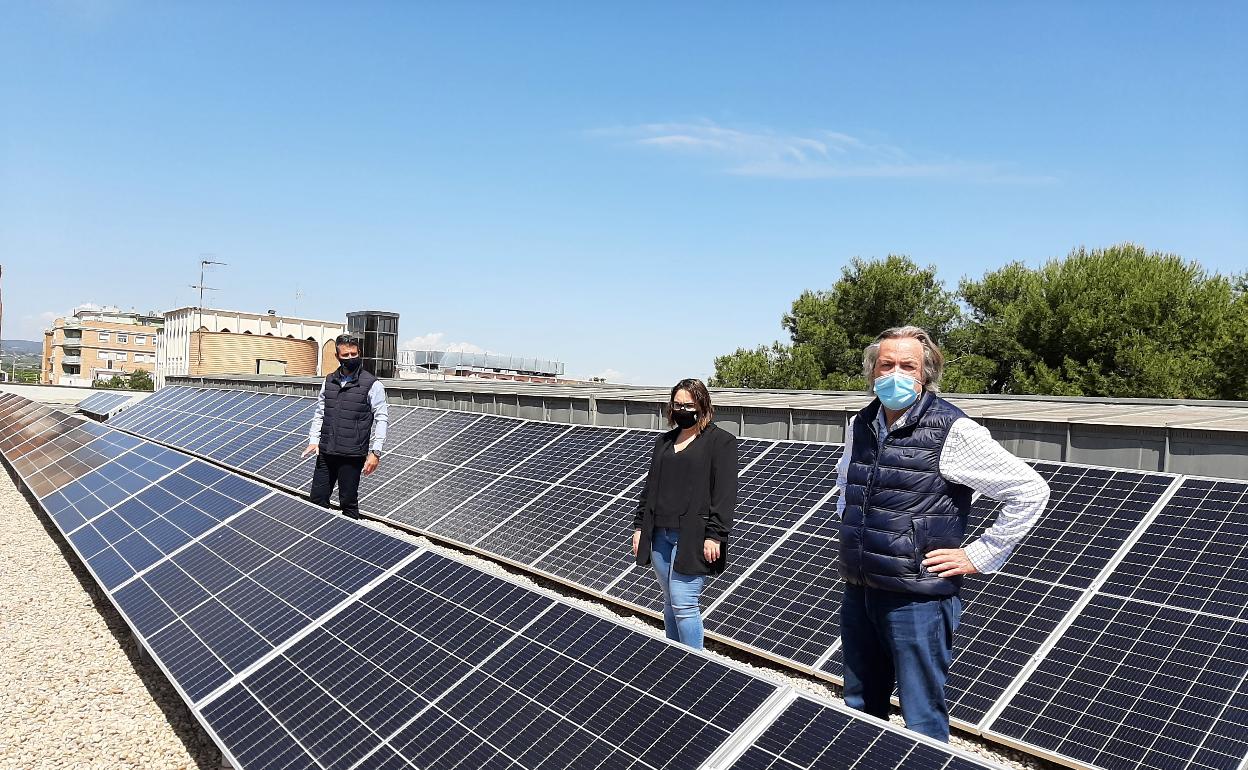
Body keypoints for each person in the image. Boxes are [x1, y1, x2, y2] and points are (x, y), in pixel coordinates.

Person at [836, 326, 1050, 741]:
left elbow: (1029, 490)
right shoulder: (860, 423)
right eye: (886, 364)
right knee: (859, 706)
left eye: (907, 366)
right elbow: (846, 484)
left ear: (925, 374)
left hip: (917, 599)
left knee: (921, 717)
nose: (894, 373)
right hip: (860, 588)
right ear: (872, 371)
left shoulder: (952, 429)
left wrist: (980, 555)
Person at [631, 378, 737, 651]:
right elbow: (650, 488)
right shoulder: (664, 442)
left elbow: (724, 493)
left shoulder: (720, 442)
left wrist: (715, 535)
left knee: (684, 602)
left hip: (693, 536)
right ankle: (674, 659)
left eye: (689, 405)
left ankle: (694, 666)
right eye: (677, 405)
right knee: (668, 602)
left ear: (703, 406)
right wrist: (640, 526)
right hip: (660, 534)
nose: (682, 410)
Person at [302, 334, 389, 519]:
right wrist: (313, 440)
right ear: (337, 357)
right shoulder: (329, 381)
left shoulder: (372, 385)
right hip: (326, 451)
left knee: (347, 502)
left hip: (352, 454)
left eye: (354, 354)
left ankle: (350, 545)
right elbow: (320, 412)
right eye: (346, 355)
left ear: (360, 353)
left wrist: (376, 452)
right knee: (317, 500)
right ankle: (318, 541)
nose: (350, 358)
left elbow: (382, 418)